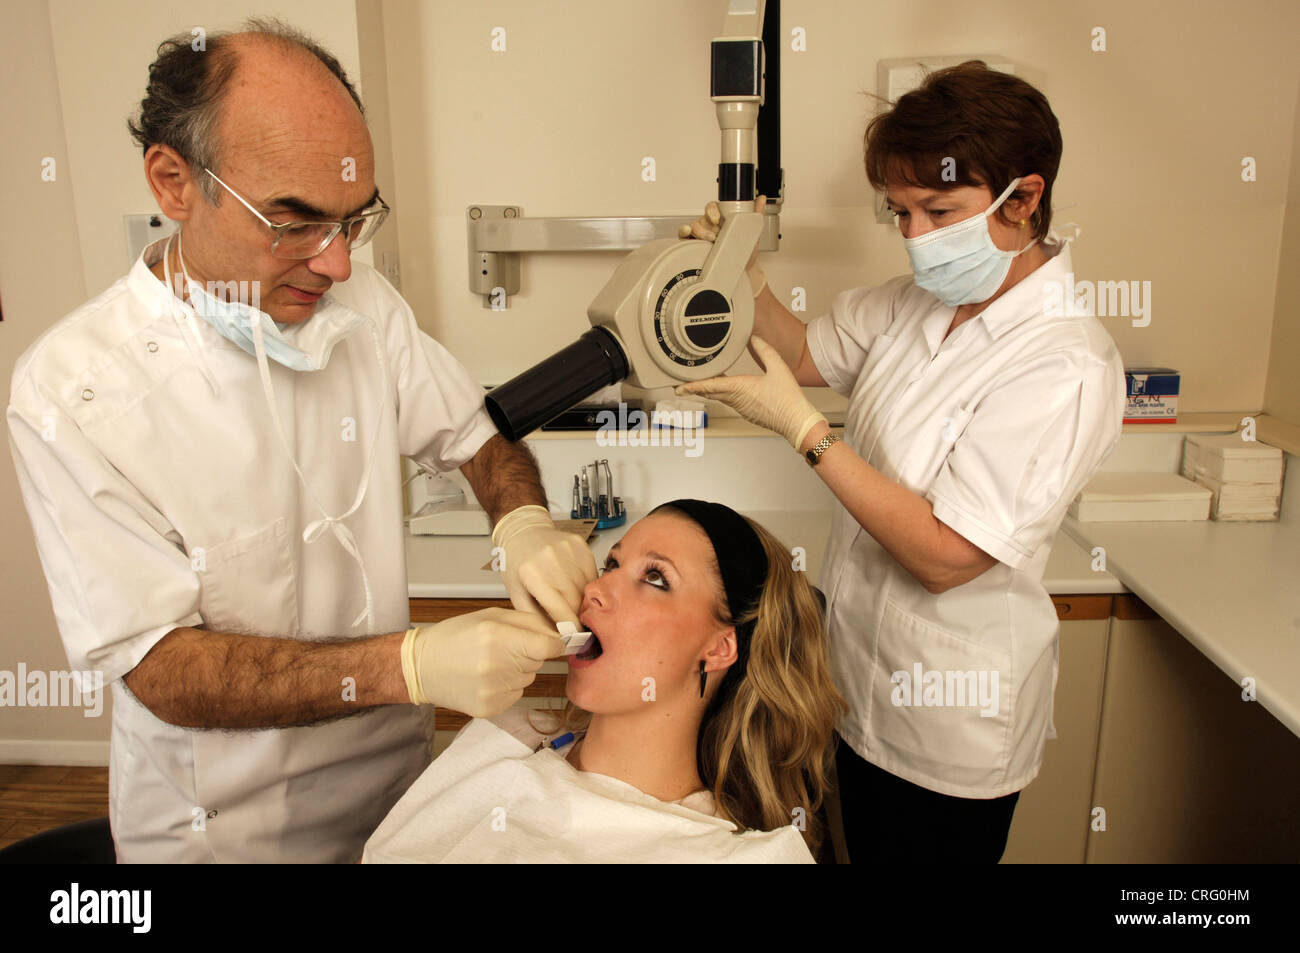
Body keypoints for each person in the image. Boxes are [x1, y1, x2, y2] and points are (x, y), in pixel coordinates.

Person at [6, 19, 595, 863]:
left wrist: (524, 520)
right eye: (295, 220)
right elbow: (163, 667)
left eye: (355, 221)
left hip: (396, 802)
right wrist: (413, 667)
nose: (338, 265)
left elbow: (475, 437)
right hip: (226, 836)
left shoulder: (362, 306)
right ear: (174, 183)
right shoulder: (72, 391)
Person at [676, 61, 1126, 863]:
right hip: (854, 686)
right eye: (901, 212)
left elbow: (947, 556)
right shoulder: (916, 301)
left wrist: (806, 432)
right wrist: (743, 279)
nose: (915, 235)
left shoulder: (1066, 364)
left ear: (1022, 199)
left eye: (938, 211)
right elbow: (807, 352)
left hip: (949, 729)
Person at [363, 501, 846, 863]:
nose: (593, 589)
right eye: (611, 564)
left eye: (655, 578)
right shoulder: (505, 735)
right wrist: (410, 668)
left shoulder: (739, 857)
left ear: (719, 648)